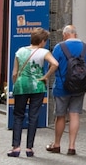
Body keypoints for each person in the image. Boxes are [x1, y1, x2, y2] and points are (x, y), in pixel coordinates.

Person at [8, 28, 57, 157]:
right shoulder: (44, 52)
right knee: (33, 116)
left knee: (18, 116)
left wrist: (16, 84)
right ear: (41, 41)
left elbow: (14, 73)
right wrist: (46, 76)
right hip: (37, 86)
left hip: (21, 85)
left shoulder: (20, 51)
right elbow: (55, 64)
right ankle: (29, 148)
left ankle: (16, 147)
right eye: (45, 41)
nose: (45, 43)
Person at [45, 25, 86, 155]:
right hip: (79, 87)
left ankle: (57, 144)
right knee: (74, 114)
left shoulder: (59, 47)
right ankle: (72, 147)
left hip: (62, 87)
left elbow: (52, 65)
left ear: (65, 35)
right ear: (75, 34)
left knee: (60, 116)